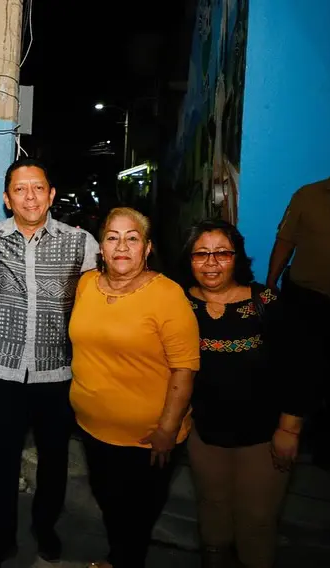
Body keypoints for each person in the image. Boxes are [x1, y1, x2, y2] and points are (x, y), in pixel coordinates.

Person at [0, 157, 100, 568]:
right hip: (3, 370)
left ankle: (46, 528)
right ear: (7, 199)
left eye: (38, 187)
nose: (30, 196)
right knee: (3, 460)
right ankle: (2, 538)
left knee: (54, 458)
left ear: (51, 195)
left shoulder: (82, 243)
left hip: (57, 371)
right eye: (20, 189)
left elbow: (101, 298)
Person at [69, 207, 199, 568]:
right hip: (92, 429)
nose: (121, 246)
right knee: (108, 501)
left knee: (136, 518)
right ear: (101, 248)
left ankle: (125, 561)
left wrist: (168, 429)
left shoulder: (168, 295)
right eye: (112, 237)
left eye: (132, 238)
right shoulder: (86, 285)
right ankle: (117, 557)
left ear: (147, 248)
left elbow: (184, 369)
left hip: (146, 439)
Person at [179, 219, 310, 568]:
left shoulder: (266, 302)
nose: (211, 262)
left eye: (222, 253)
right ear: (189, 260)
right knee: (212, 512)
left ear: (236, 257)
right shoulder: (177, 304)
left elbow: (298, 369)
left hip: (264, 437)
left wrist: (289, 429)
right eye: (201, 254)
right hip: (204, 434)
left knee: (257, 520)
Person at [266, 125, 330, 469]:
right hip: (306, 300)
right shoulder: (308, 195)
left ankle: (326, 439)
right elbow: (285, 242)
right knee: (299, 370)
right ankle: (294, 434)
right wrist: (270, 284)